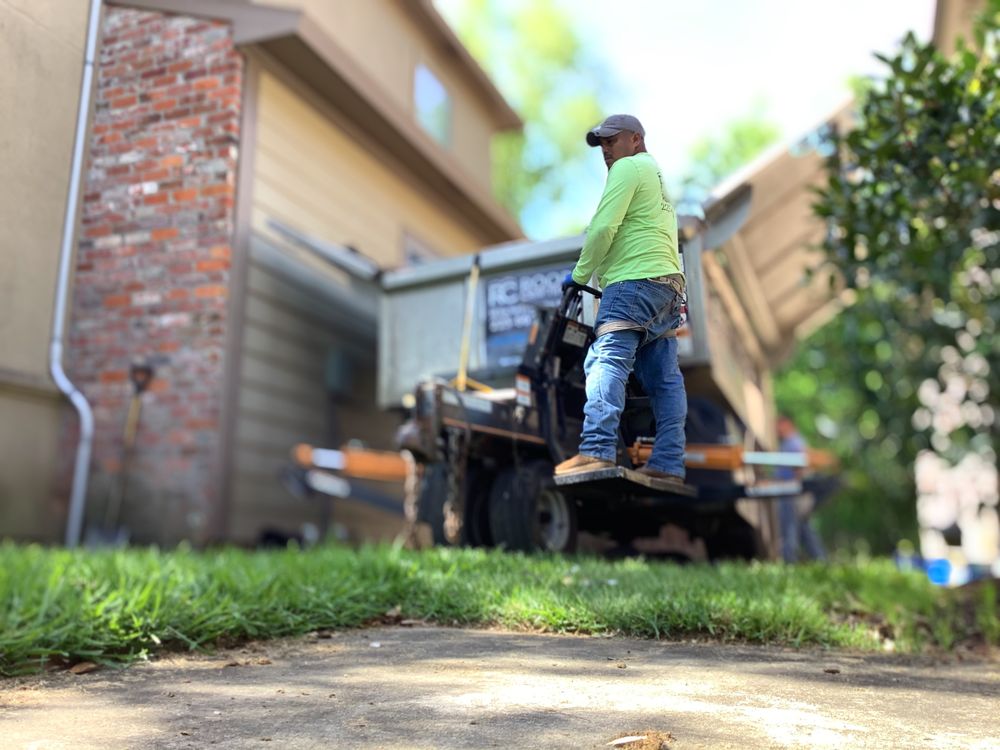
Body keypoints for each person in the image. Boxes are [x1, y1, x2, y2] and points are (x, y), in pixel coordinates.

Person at [554, 114, 687, 484]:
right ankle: (669, 463)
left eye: (612, 141)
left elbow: (603, 227)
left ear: (636, 139)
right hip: (667, 287)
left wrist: (579, 276)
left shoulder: (628, 169)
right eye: (602, 144)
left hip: (633, 283)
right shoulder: (656, 178)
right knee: (664, 379)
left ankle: (595, 450)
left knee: (604, 359)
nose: (607, 150)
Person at [775, 415, 826, 562]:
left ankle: (790, 561)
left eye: (778, 425)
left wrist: (797, 486)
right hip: (793, 491)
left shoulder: (793, 442)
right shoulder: (789, 443)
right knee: (805, 530)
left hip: (792, 492)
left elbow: (803, 465)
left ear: (787, 424)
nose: (776, 430)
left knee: (789, 530)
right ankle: (820, 560)